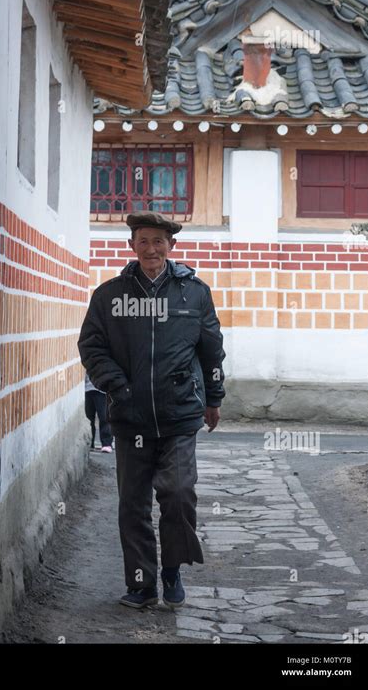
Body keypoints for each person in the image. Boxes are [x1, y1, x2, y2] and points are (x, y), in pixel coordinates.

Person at [78, 211, 226, 610]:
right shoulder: (110, 295)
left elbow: (210, 347)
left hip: (179, 415)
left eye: (158, 241)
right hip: (130, 417)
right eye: (142, 241)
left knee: (178, 494)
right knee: (133, 504)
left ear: (171, 247)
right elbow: (91, 347)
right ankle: (142, 584)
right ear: (131, 246)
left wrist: (214, 397)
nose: (151, 249)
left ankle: (172, 569)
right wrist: (119, 387)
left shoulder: (194, 293)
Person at [84, 372, 114, 453]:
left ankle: (106, 443)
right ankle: (91, 442)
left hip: (102, 390)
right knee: (89, 417)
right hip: (87, 388)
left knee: (104, 417)